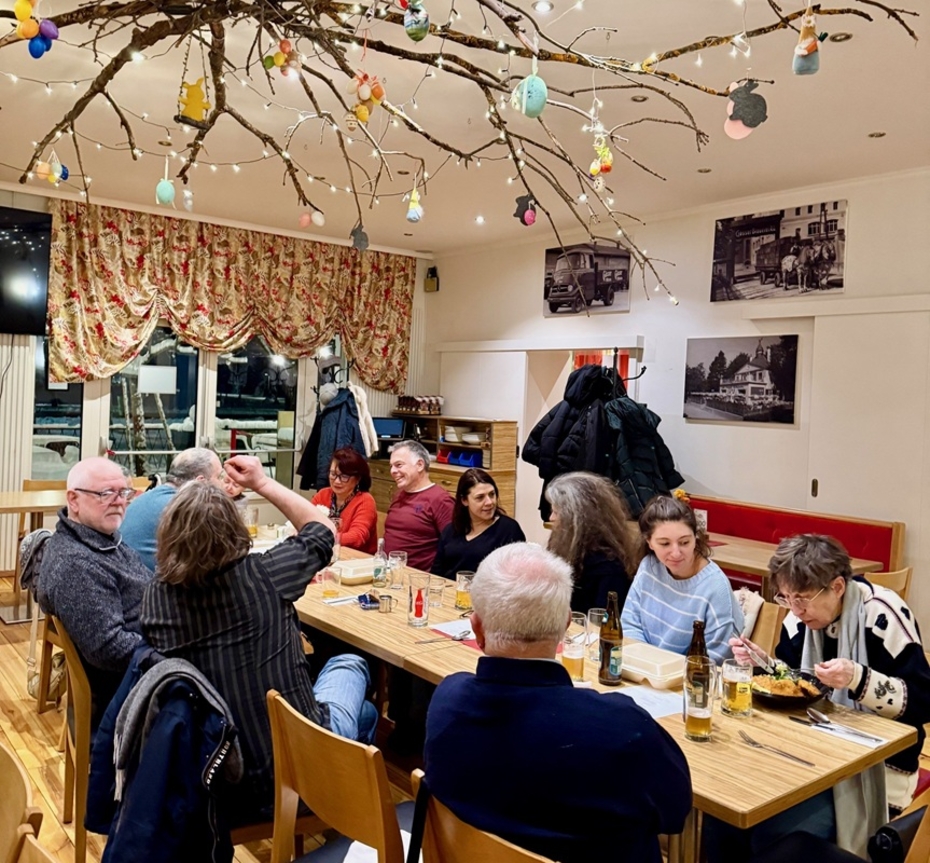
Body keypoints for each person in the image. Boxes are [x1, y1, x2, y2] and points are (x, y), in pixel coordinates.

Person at [140, 455, 378, 822]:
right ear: (233, 528)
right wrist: (262, 483)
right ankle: (345, 811)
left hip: (215, 777)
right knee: (351, 664)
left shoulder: (156, 599)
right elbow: (323, 531)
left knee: (362, 713)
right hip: (290, 773)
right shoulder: (265, 575)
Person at [424, 543, 692, 863]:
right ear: (565, 626)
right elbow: (675, 813)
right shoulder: (624, 730)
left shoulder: (446, 700)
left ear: (477, 629)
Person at [721, 534, 930, 858]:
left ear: (837, 587)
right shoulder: (798, 618)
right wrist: (762, 664)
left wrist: (858, 678)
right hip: (811, 754)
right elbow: (796, 683)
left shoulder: (882, 615)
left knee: (776, 831)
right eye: (787, 597)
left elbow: (922, 700)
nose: (795, 609)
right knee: (728, 816)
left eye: (803, 598)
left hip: (878, 769)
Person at [36, 456, 153, 721]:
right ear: (74, 500)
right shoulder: (75, 565)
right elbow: (110, 649)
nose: (119, 501)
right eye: (105, 493)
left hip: (144, 671)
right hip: (129, 700)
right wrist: (170, 649)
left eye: (123, 492)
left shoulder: (103, 539)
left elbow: (150, 584)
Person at [621, 495, 742, 663]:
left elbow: (719, 657)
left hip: (691, 680)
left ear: (695, 538)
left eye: (684, 542)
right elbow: (630, 624)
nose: (676, 553)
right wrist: (648, 663)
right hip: (646, 669)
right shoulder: (649, 566)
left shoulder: (715, 587)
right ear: (649, 542)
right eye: (664, 544)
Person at [545, 471, 641, 612]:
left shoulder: (609, 567)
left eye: (556, 512)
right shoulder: (565, 545)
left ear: (577, 519)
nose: (551, 518)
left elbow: (602, 620)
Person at [120, 447, 225, 570]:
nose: (223, 484)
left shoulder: (148, 497)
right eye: (219, 477)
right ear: (200, 482)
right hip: (149, 585)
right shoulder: (185, 509)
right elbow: (215, 560)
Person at [430, 468, 525, 580]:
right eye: (480, 498)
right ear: (464, 500)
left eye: (492, 494)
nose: (489, 502)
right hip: (449, 593)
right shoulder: (450, 530)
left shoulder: (509, 530)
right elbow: (436, 574)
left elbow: (517, 578)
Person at [382, 439, 453, 571]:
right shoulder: (399, 494)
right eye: (391, 466)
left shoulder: (440, 500)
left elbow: (453, 547)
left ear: (420, 465)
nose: (392, 471)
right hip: (388, 573)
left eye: (398, 465)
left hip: (418, 579)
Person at [310, 446, 378, 554]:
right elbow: (305, 521)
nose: (337, 481)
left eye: (344, 476)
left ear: (358, 478)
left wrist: (321, 538)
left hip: (355, 560)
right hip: (324, 554)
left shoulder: (365, 501)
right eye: (333, 474)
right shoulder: (323, 494)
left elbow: (357, 538)